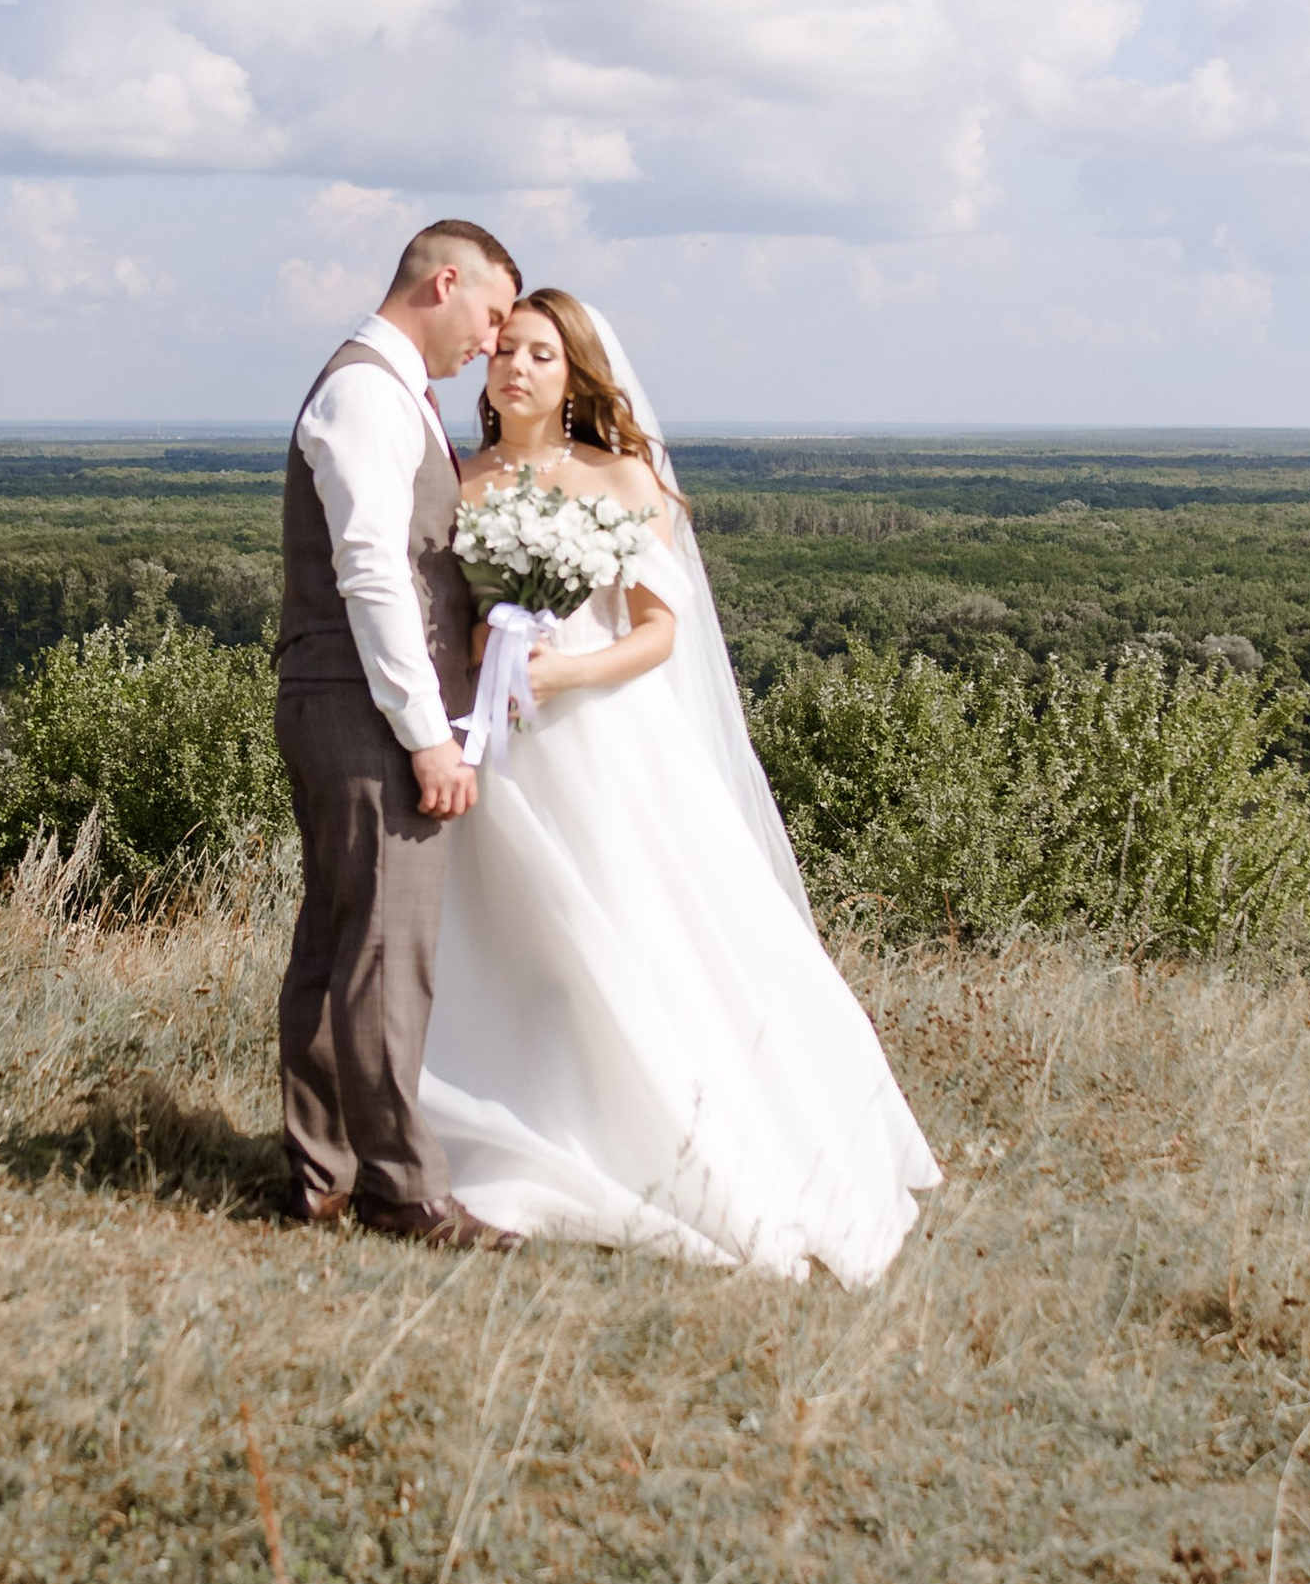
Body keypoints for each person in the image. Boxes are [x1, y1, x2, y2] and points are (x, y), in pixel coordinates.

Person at [418, 289, 942, 1286]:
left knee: (616, 932)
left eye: (539, 355)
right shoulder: (461, 480)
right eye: (505, 354)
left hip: (600, 739)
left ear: (573, 375)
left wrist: (562, 667)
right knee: (508, 939)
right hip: (496, 740)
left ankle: (654, 1131)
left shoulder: (620, 479)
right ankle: (517, 1117)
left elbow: (659, 630)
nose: (515, 370)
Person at [275, 219, 526, 1244]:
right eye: (495, 313)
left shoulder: (381, 388)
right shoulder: (369, 393)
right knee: (386, 951)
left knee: (341, 948)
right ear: (445, 282)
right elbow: (372, 570)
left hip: (348, 702)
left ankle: (319, 1175)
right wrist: (427, 734)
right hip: (367, 710)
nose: (494, 340)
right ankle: (404, 1192)